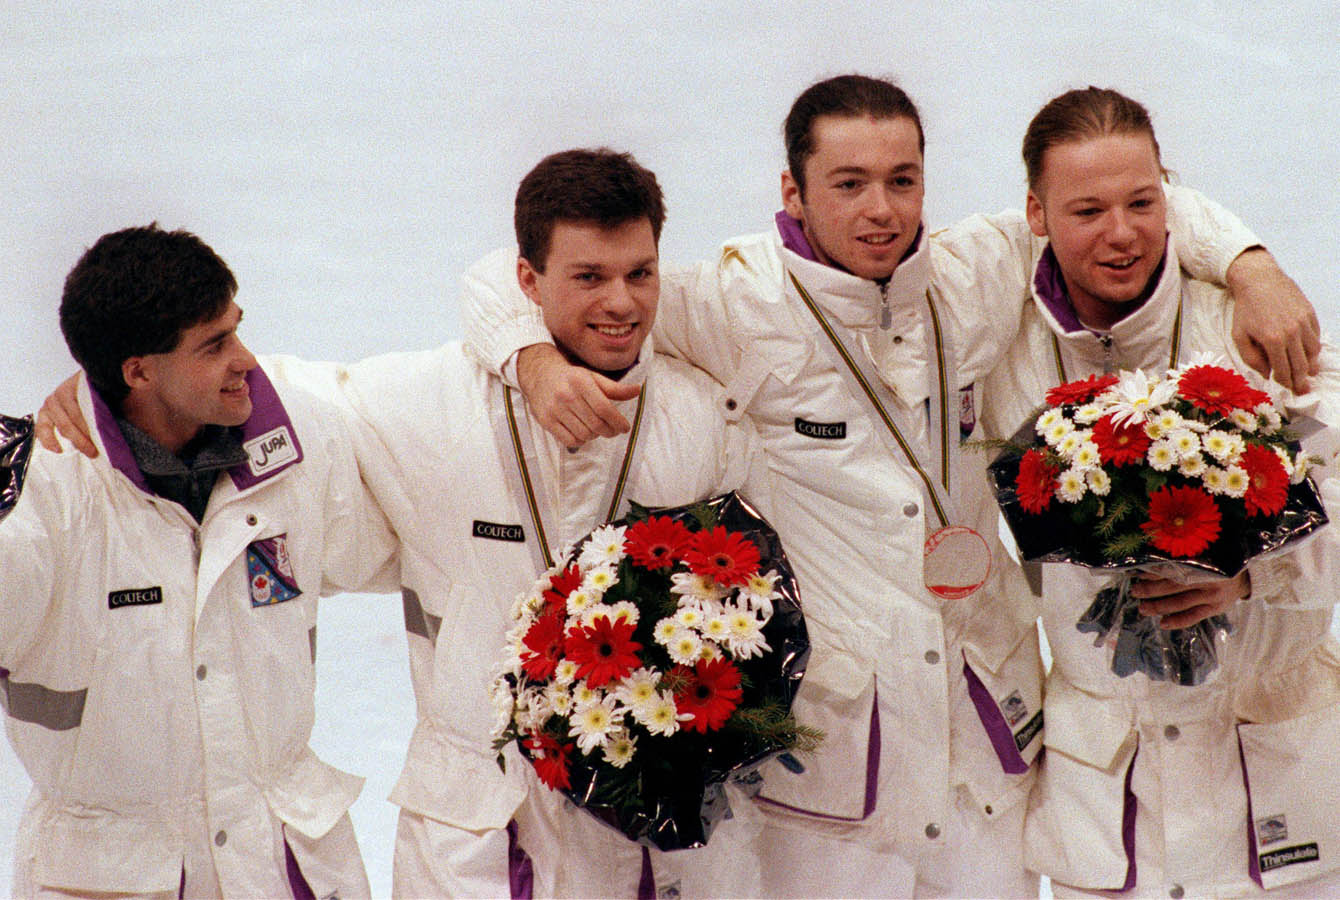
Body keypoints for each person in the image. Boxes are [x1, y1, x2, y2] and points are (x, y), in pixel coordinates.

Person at [457, 75, 1321, 897]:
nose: (881, 210)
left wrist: (1251, 264)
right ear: (791, 192)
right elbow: (519, 271)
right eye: (849, 183)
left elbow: (1114, 203)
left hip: (991, 756)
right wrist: (527, 356)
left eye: (902, 180)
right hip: (832, 781)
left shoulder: (970, 272)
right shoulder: (730, 300)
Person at [263, 148, 765, 897]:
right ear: (526, 281)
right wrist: (100, 386)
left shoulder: (702, 419)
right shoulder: (425, 406)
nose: (622, 303)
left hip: (652, 833)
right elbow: (272, 390)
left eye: (640, 273)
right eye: (589, 277)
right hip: (476, 829)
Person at [976, 86, 1340, 899]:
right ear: (1035, 215)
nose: (1122, 233)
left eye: (1143, 202)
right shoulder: (1001, 352)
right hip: (1106, 811)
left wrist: (1256, 574)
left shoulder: (1258, 334)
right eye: (1088, 210)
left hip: (1270, 795)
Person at [0, 225, 399, 899]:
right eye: (214, 345)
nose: (246, 359)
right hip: (114, 872)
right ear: (138, 370)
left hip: (286, 861)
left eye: (236, 328)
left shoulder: (303, 437)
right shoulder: (46, 499)